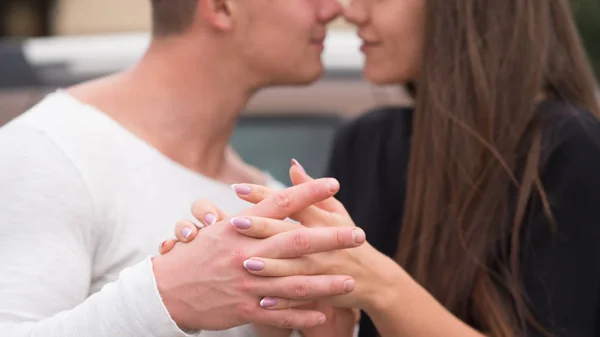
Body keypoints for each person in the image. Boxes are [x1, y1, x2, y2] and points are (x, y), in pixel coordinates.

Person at [163, 0, 600, 336]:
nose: (350, 11)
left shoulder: (569, 149)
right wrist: (265, 268)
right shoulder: (367, 142)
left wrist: (379, 283)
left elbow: (366, 277)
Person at [0, 0, 368, 336]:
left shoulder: (263, 199)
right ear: (222, 7)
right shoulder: (49, 151)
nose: (333, 8)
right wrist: (168, 298)